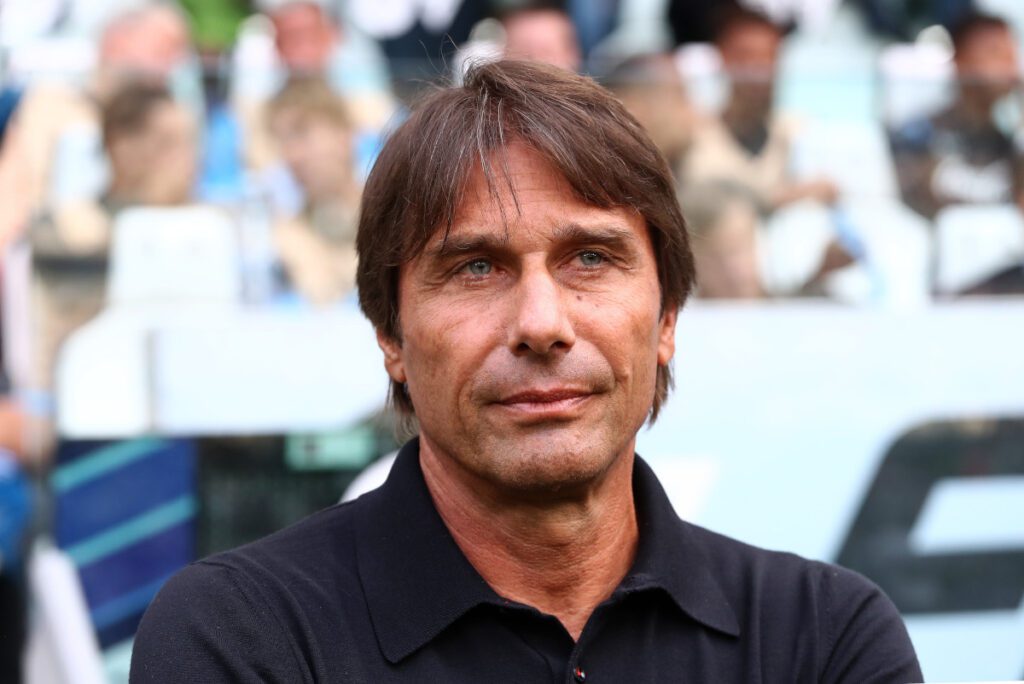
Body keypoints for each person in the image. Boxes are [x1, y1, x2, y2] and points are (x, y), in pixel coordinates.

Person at [130, 60, 921, 682]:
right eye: (476, 268)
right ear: (390, 334)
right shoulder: (242, 636)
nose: (542, 323)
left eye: (589, 257)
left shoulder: (823, 638)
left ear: (668, 318)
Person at [889, 11, 1024, 219]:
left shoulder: (1006, 144)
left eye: (1012, 57)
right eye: (997, 54)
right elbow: (907, 205)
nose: (1010, 69)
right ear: (961, 60)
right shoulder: (919, 133)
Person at [265, 77, 361, 305]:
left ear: (344, 134)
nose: (292, 155)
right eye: (283, 141)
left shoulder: (395, 218)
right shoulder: (284, 236)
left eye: (302, 133)